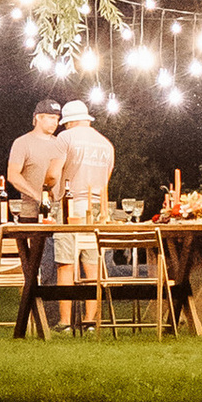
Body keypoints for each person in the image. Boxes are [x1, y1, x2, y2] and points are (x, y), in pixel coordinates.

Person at [53, 92, 117, 335]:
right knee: (92, 265)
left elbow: (53, 173)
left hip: (72, 206)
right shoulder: (106, 144)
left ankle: (65, 322)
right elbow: (106, 179)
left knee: (66, 264)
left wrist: (50, 188)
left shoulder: (65, 138)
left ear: (68, 122)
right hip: (99, 208)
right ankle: (91, 321)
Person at [3, 95, 67, 339]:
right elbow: (13, 174)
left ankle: (54, 321)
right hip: (31, 214)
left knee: (56, 266)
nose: (54, 122)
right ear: (37, 118)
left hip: (58, 214)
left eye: (57, 118)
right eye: (50, 117)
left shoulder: (59, 144)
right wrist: (37, 196)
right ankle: (39, 321)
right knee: (38, 268)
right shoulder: (23, 143)